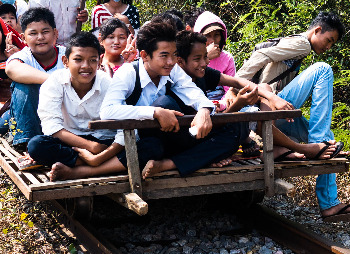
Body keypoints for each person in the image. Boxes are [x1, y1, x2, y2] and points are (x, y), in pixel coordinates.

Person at [236, 11, 350, 223]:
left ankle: (330, 205)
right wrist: (235, 85)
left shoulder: (298, 47)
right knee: (323, 70)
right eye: (329, 40)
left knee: (330, 141)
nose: (328, 47)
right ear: (317, 30)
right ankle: (317, 145)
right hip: (262, 105)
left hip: (266, 110)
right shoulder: (302, 44)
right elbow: (260, 56)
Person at [100, 18, 243, 178]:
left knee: (236, 128)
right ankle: (202, 157)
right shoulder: (128, 73)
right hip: (150, 141)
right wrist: (155, 112)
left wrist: (204, 109)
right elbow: (107, 111)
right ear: (145, 55)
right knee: (161, 114)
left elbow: (191, 91)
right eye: (164, 56)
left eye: (174, 55)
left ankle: (169, 164)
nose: (170, 61)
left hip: (176, 137)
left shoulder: (172, 69)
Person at [175, 30, 342, 162]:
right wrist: (237, 103)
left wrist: (272, 97)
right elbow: (211, 127)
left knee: (263, 90)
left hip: (216, 127)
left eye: (205, 57)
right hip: (194, 139)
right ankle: (306, 148)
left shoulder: (204, 72)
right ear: (180, 61)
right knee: (322, 70)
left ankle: (322, 145)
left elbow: (238, 81)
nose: (204, 63)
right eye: (198, 59)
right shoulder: (176, 85)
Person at [27, 32, 126, 182]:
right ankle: (103, 163)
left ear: (99, 62)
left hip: (104, 141)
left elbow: (124, 127)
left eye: (92, 60)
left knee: (146, 146)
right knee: (37, 145)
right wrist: (92, 148)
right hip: (71, 141)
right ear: (65, 61)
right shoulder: (55, 82)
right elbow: (51, 126)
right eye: (78, 60)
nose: (85, 66)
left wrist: (102, 153)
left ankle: (81, 168)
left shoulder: (108, 84)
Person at [5, 8, 66, 155]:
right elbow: (12, 70)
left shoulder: (67, 54)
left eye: (45, 32)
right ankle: (26, 143)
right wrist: (55, 81)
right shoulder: (22, 56)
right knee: (22, 85)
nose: (40, 37)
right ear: (23, 38)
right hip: (27, 113)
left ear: (55, 34)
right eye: (33, 33)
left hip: (59, 113)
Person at [193, 11, 236, 103]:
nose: (212, 41)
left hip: (223, 105)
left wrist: (220, 105)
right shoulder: (190, 58)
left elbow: (229, 91)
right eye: (208, 36)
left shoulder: (227, 58)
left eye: (216, 35)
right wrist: (206, 56)